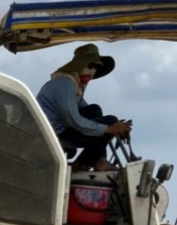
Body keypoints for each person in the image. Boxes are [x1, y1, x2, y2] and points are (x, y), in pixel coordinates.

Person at [36, 43, 133, 172]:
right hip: (54, 134)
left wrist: (118, 126)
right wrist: (109, 128)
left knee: (95, 110)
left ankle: (98, 159)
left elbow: (87, 111)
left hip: (62, 130)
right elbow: (74, 120)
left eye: (96, 68)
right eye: (90, 66)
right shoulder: (65, 84)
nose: (92, 71)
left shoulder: (73, 84)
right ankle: (89, 163)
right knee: (109, 120)